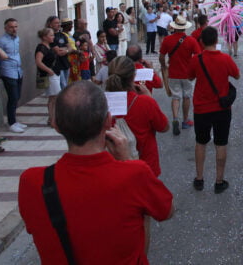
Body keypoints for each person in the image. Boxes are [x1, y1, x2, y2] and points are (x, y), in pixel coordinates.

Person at [18, 81, 174, 264]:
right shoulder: (135, 173)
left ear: (56, 125)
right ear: (108, 120)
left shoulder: (32, 182)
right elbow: (167, 211)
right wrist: (129, 159)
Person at [187, 27, 240, 193]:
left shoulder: (197, 59)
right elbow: (237, 75)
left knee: (201, 142)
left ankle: (199, 178)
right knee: (221, 143)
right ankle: (219, 180)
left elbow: (190, 77)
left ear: (201, 41)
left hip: (202, 108)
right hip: (222, 108)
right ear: (217, 40)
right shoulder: (225, 59)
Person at [106, 56, 169, 177]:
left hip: (114, 165)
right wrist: (149, 97)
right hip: (145, 164)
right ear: (133, 76)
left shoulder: (99, 103)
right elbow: (164, 127)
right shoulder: (144, 102)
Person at [159, 15, 201, 135]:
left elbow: (161, 57)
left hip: (173, 73)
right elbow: (198, 56)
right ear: (184, 28)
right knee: (187, 96)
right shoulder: (191, 40)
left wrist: (163, 66)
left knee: (176, 97)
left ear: (174, 27)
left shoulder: (167, 40)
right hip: (187, 74)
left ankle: (175, 118)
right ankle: (185, 120)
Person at [0, 18, 27, 133]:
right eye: (11, 27)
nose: (14, 29)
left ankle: (14, 120)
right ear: (6, 28)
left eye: (15, 27)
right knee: (13, 97)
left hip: (18, 71)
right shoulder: (1, 41)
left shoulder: (17, 39)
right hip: (8, 72)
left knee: (17, 96)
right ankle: (11, 122)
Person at [35, 28, 60, 127]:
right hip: (50, 75)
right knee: (53, 97)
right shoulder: (41, 48)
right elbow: (38, 61)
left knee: (54, 97)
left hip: (54, 73)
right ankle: (52, 119)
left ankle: (53, 118)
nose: (53, 37)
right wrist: (48, 70)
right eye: (51, 35)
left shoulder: (48, 46)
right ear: (45, 37)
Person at [46, 16, 70, 90]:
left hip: (66, 63)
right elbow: (58, 52)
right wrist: (66, 49)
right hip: (57, 65)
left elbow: (71, 47)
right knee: (63, 86)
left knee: (65, 83)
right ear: (50, 24)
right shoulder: (50, 37)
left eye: (59, 22)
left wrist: (66, 50)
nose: (59, 24)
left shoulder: (62, 35)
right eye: (56, 23)